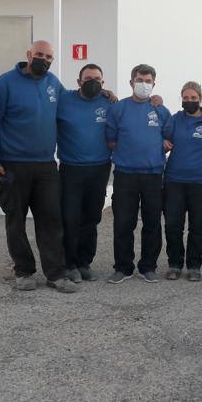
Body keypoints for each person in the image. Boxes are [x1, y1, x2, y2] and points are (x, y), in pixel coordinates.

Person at [0, 40, 76, 293]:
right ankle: (23, 271)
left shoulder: (53, 83)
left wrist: (103, 94)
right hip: (13, 165)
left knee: (51, 220)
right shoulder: (4, 83)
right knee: (16, 221)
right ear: (28, 55)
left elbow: (74, 104)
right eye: (39, 55)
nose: (43, 60)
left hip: (45, 166)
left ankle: (55, 274)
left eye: (48, 57)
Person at [105, 64, 172, 284]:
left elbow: (169, 139)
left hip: (153, 175)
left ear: (154, 83)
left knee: (152, 222)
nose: (144, 84)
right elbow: (111, 141)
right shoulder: (118, 109)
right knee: (123, 222)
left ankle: (148, 266)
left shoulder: (160, 110)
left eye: (148, 81)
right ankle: (123, 267)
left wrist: (157, 147)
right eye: (139, 80)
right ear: (131, 82)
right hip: (125, 175)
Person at [162, 82, 202, 281]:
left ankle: (194, 266)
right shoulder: (174, 120)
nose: (189, 101)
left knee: (197, 227)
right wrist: (162, 142)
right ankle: (174, 264)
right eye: (186, 98)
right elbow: (159, 139)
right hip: (174, 181)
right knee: (173, 224)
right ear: (181, 99)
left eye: (193, 98)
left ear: (200, 98)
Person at [56, 63, 113, 283]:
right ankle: (68, 264)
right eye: (88, 79)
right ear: (79, 82)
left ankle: (84, 262)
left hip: (100, 169)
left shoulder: (109, 103)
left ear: (103, 83)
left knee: (91, 218)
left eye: (97, 79)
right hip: (71, 169)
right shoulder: (65, 100)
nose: (93, 82)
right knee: (70, 218)